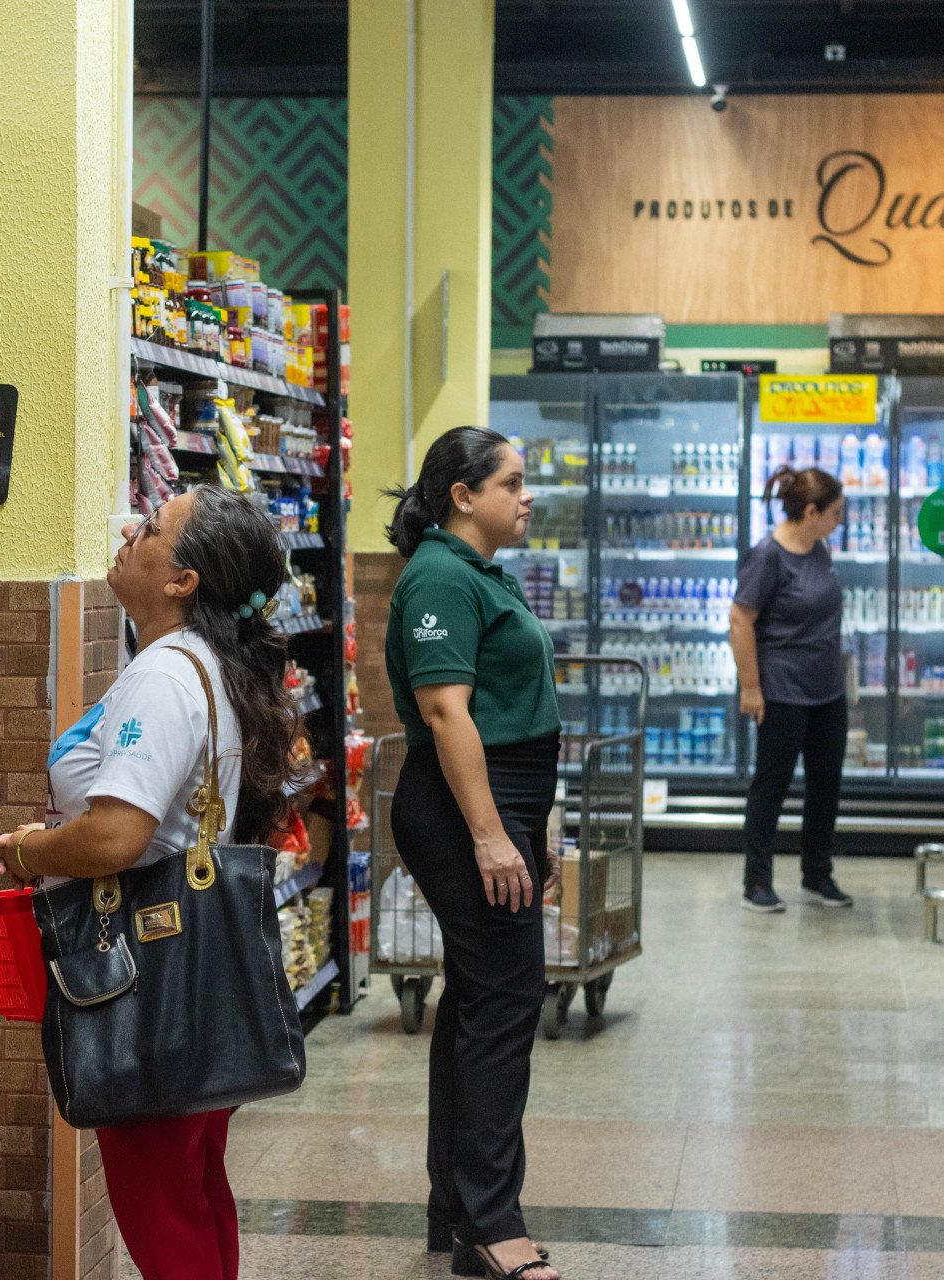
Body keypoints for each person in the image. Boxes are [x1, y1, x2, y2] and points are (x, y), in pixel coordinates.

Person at [0, 484, 303, 1280]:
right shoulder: (194, 666)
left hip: (153, 980)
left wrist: (30, 849)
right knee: (194, 1196)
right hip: (201, 975)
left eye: (155, 525)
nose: (132, 530)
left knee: (164, 1213)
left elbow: (117, 836)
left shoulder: (166, 677)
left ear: (182, 581)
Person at [384, 426, 563, 1280]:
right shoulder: (438, 578)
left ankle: (457, 1208)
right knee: (506, 1002)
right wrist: (493, 836)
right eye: (513, 483)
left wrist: (539, 824)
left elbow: (515, 713)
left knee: (477, 1001)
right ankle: (493, 1225)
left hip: (505, 801)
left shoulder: (478, 574)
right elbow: (449, 716)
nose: (527, 497)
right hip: (463, 810)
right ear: (464, 495)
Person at [729, 465, 853, 913]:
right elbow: (741, 619)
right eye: (835, 513)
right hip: (781, 690)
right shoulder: (768, 556)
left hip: (827, 691)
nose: (840, 520)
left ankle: (817, 874)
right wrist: (751, 687)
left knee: (826, 785)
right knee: (772, 786)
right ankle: (756, 882)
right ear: (810, 511)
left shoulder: (819, 548)